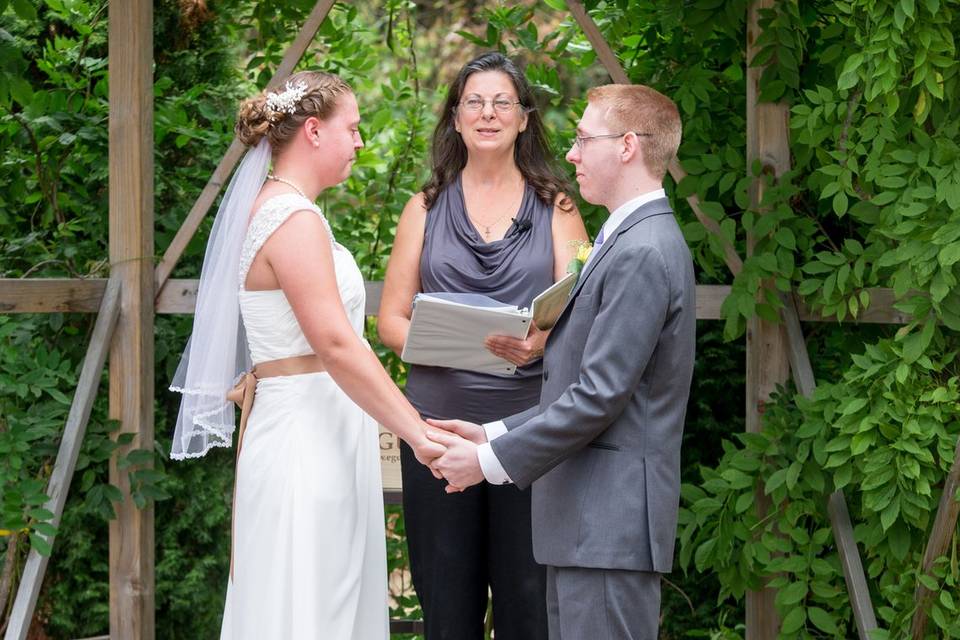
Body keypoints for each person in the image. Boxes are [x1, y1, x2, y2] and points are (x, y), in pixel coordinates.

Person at [168, 70, 443, 640]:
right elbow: (338, 344)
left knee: (327, 599)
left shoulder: (290, 210)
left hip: (321, 426)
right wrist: (417, 434)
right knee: (309, 606)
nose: (361, 142)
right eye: (354, 127)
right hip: (304, 440)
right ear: (314, 131)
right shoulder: (291, 219)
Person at [427, 83, 695, 640]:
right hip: (587, 526)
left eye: (581, 139)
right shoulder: (625, 239)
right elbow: (580, 384)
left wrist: (488, 462)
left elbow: (599, 397)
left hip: (607, 526)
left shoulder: (643, 250)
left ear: (626, 146)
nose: (570, 154)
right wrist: (488, 432)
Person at [377, 52, 588, 639]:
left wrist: (540, 346)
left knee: (529, 604)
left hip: (527, 433)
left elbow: (582, 314)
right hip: (436, 436)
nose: (488, 113)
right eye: (474, 101)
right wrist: (446, 344)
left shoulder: (559, 209)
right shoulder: (421, 207)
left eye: (502, 102)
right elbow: (390, 320)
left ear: (524, 118)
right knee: (447, 606)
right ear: (455, 117)